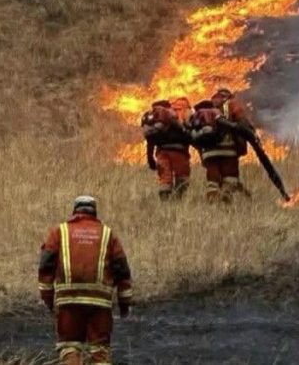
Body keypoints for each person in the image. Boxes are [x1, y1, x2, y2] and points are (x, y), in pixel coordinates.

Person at [38, 196, 133, 365]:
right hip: (100, 305)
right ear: (94, 211)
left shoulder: (59, 232)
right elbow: (123, 271)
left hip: (68, 303)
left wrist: (48, 298)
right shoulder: (108, 234)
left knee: (69, 347)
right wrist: (125, 303)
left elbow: (46, 266)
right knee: (100, 351)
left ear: (75, 211)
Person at [190, 88, 252, 202]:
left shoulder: (206, 109)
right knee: (230, 175)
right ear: (228, 96)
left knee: (212, 177)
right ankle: (226, 193)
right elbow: (242, 121)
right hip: (228, 149)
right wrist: (249, 132)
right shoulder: (231, 104)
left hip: (208, 151)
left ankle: (213, 197)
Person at [141, 97, 193, 200]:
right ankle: (178, 199)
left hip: (161, 152)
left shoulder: (154, 120)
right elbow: (188, 134)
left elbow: (150, 140)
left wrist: (150, 160)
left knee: (165, 178)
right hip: (179, 152)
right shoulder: (177, 115)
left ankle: (165, 201)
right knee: (182, 176)